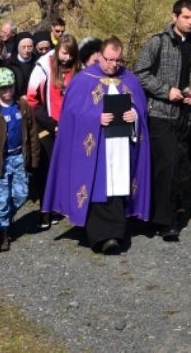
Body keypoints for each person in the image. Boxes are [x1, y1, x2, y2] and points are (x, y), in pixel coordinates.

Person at [43, 36, 152, 254]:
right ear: (100, 56)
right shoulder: (83, 80)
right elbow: (71, 115)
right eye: (110, 59)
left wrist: (135, 116)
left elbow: (141, 109)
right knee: (98, 186)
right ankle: (102, 236)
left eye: (118, 60)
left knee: (118, 186)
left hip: (121, 146)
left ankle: (116, 233)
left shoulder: (129, 79)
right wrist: (96, 119)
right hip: (94, 148)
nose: (114, 65)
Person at [135, 0, 191, 241]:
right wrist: (165, 91)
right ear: (174, 17)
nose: (190, 22)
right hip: (159, 113)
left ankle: (168, 209)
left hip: (185, 117)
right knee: (166, 164)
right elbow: (140, 73)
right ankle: (166, 222)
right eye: (186, 17)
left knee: (177, 164)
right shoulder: (157, 42)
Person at [0, 67, 39, 252]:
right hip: (1, 160)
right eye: (3, 88)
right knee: (2, 197)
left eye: (10, 87)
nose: (7, 92)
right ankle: (2, 230)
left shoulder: (22, 105)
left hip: (19, 156)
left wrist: (34, 158)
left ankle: (4, 218)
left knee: (21, 194)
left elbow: (32, 133)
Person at [26, 34, 78, 228]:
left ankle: (59, 206)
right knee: (46, 169)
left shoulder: (76, 68)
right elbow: (31, 100)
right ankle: (44, 209)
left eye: (71, 55)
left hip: (69, 127)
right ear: (57, 51)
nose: (67, 59)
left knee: (64, 169)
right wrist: (51, 124)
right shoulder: (42, 66)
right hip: (46, 125)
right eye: (64, 54)